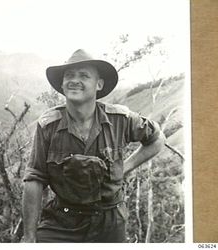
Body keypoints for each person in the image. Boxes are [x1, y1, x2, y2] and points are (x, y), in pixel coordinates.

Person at [22, 49, 165, 243]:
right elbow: (34, 178)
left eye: (83, 75)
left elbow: (157, 139)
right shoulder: (48, 125)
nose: (74, 80)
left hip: (110, 221)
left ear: (99, 84)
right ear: (62, 84)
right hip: (62, 221)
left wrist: (126, 167)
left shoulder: (121, 119)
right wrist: (29, 238)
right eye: (69, 75)